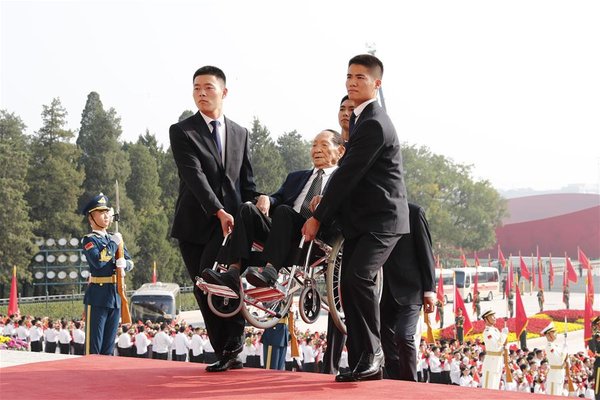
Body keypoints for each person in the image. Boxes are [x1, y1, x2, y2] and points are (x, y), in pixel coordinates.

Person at [302, 54, 410, 383]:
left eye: (360, 77)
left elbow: (348, 173)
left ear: (377, 84)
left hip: (384, 220)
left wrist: (318, 217)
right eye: (349, 76)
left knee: (358, 278)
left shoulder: (375, 122)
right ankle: (364, 357)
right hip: (363, 220)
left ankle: (374, 353)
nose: (352, 82)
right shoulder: (362, 120)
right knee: (349, 283)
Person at [169, 65, 260, 372]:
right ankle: (225, 349)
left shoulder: (240, 133)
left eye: (208, 87)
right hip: (196, 222)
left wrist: (254, 209)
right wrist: (217, 210)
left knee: (224, 284)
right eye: (196, 88)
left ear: (224, 91)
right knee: (203, 286)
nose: (202, 93)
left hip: (231, 226)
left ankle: (232, 347)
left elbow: (246, 182)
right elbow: (194, 178)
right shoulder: (183, 131)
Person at [202, 129, 345, 290]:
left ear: (340, 151)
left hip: (316, 236)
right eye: (314, 145)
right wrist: (267, 199)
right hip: (281, 231)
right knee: (246, 208)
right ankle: (233, 272)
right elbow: (278, 198)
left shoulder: (342, 179)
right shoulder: (295, 177)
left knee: (284, 211)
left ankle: (271, 270)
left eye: (324, 145)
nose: (317, 149)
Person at [380, 203, 436, 381]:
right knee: (385, 340)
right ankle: (396, 384)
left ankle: (410, 384)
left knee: (404, 335)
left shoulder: (414, 212)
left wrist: (429, 291)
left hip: (411, 289)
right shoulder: (373, 212)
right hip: (382, 289)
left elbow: (426, 252)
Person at [322, 95, 354, 375]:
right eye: (342, 108)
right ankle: (330, 363)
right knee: (336, 299)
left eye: (351, 109)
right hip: (327, 226)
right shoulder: (335, 145)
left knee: (348, 295)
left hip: (354, 228)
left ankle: (361, 358)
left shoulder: (364, 143)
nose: (346, 113)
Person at [81, 193, 134, 355]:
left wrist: (125, 264)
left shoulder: (114, 238)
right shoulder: (90, 239)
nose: (105, 216)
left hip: (115, 294)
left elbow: (130, 261)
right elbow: (99, 261)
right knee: (94, 346)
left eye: (107, 213)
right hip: (98, 295)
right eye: (101, 213)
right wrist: (113, 243)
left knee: (109, 346)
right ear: (91, 218)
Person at [480, 309, 508, 390]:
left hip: (498, 361)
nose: (494, 318)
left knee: (495, 388)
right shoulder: (487, 332)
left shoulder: (495, 330)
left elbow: (503, 345)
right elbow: (496, 346)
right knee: (489, 388)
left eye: (494, 315)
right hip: (491, 363)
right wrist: (504, 334)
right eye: (491, 316)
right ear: (486, 319)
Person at [541, 322, 568, 396]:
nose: (555, 334)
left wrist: (564, 348)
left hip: (559, 375)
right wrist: (565, 349)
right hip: (554, 376)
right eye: (553, 332)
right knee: (553, 396)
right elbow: (559, 360)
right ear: (548, 335)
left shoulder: (555, 346)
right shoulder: (549, 347)